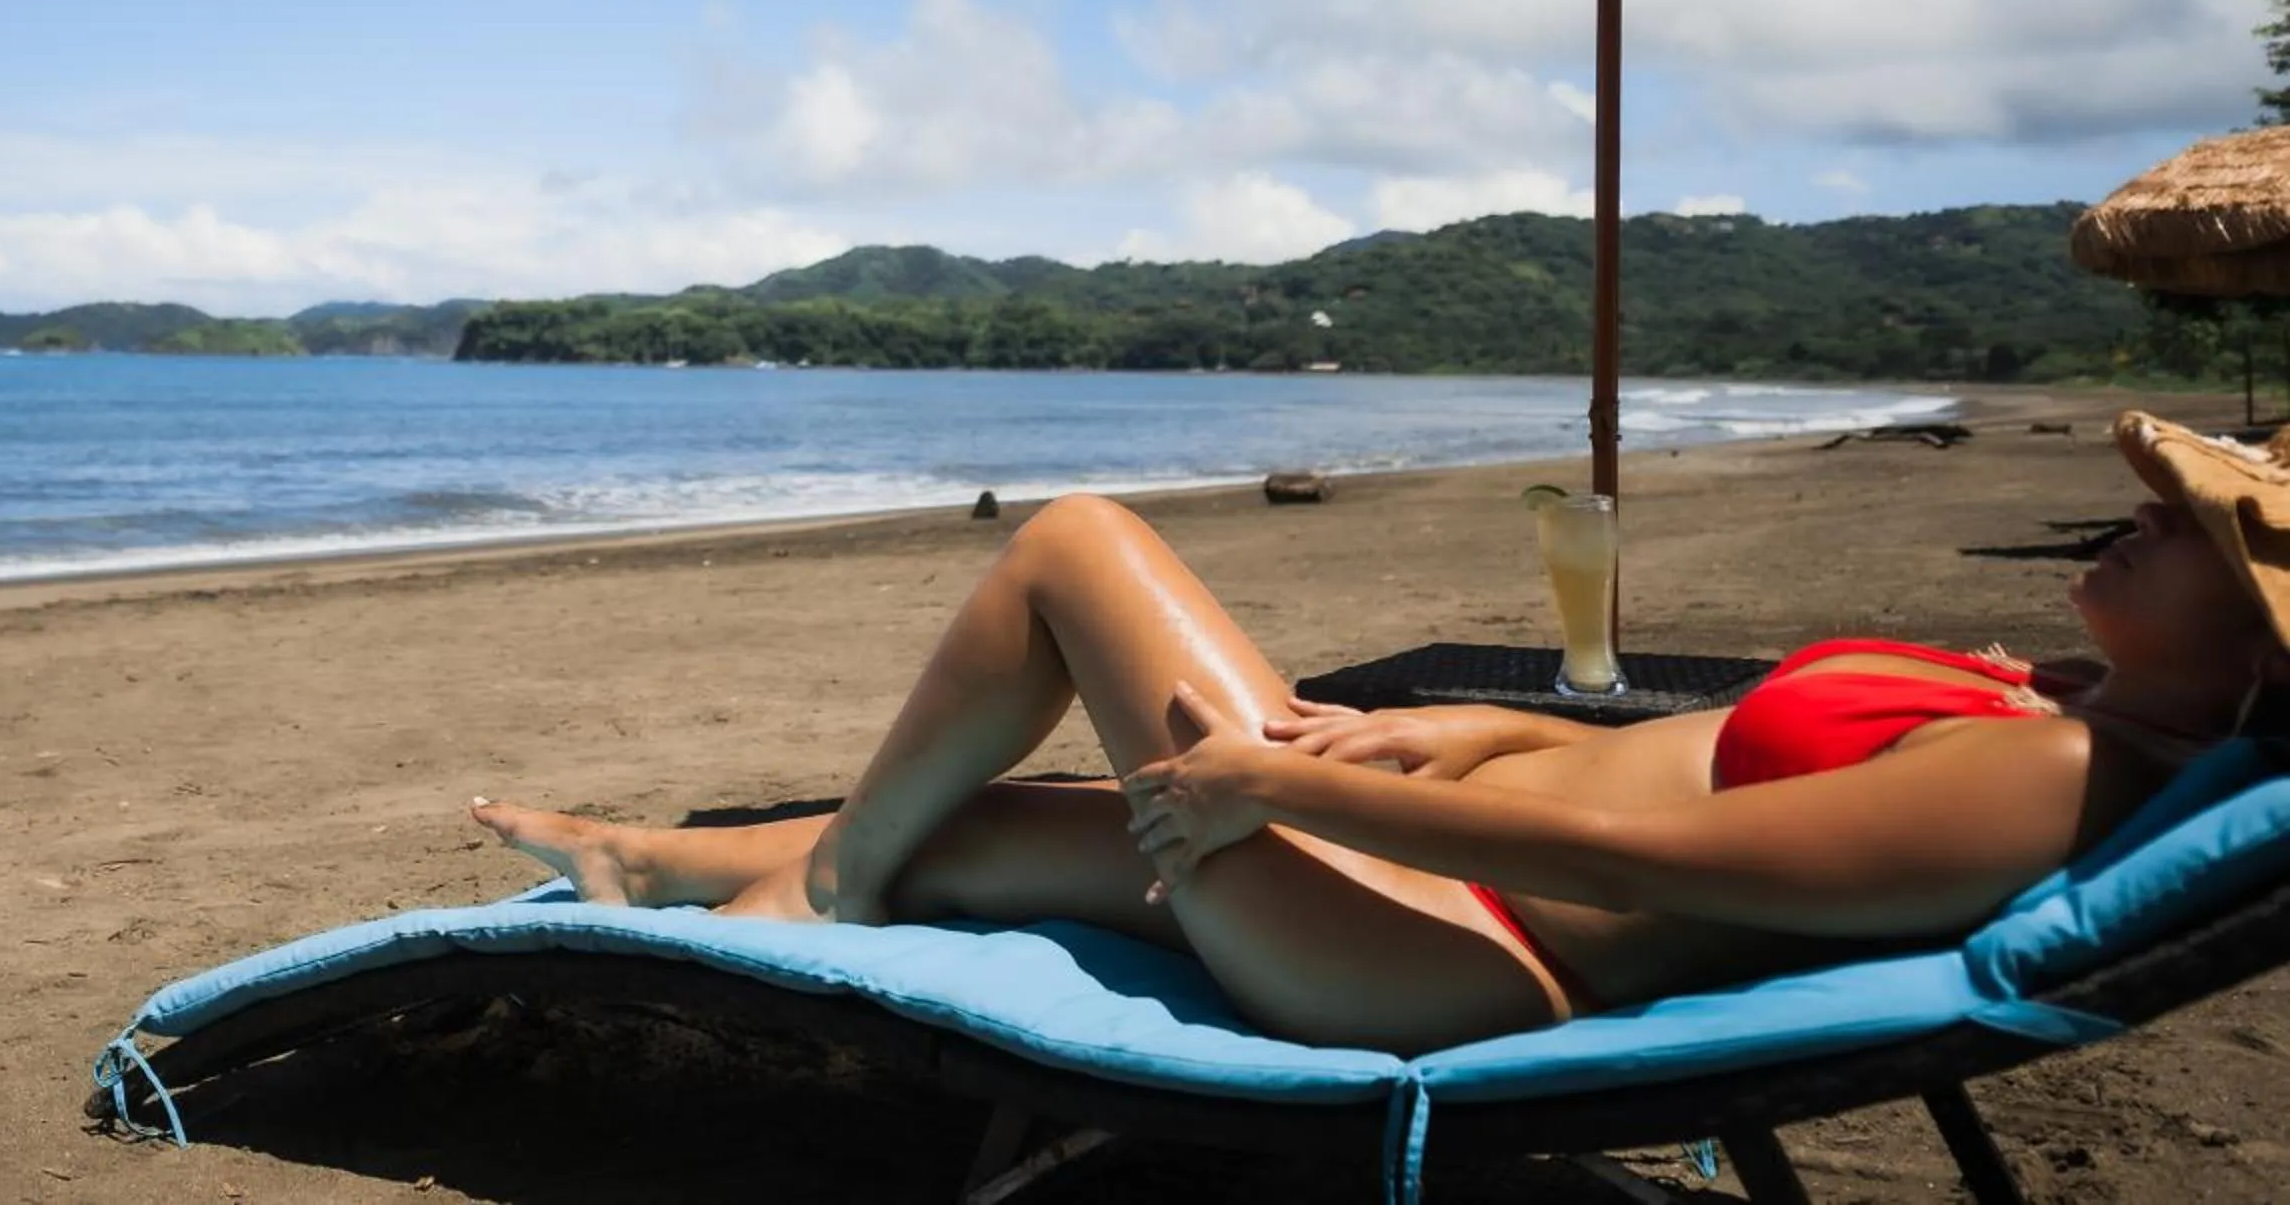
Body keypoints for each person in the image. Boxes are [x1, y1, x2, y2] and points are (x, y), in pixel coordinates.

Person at [472, 413, 2290, 1053]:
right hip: (1435, 865)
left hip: (1460, 954)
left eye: (2188, 532)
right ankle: (658, 862)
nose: (2130, 513)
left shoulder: (2062, 775)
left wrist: (1275, 783)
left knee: (1074, 546)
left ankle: (831, 891)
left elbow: (1644, 853)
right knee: (978, 824)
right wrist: (1472, 724)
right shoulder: (2051, 705)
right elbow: (1677, 754)